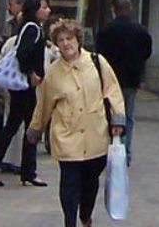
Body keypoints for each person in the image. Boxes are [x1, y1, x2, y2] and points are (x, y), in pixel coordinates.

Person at [28, 18, 126, 227]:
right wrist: (35, 129)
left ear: (78, 40)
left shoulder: (97, 63)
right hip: (67, 135)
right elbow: (44, 103)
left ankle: (86, 215)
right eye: (61, 40)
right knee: (69, 182)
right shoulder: (54, 72)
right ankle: (70, 222)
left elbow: (113, 91)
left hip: (95, 134)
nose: (66, 43)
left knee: (90, 183)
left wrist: (118, 120)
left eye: (69, 38)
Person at [0, 0, 50, 186]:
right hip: (25, 87)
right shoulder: (33, 28)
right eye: (43, 7)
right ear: (35, 9)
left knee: (16, 125)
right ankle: (27, 171)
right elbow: (23, 53)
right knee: (30, 126)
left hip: (23, 86)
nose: (47, 11)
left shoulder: (29, 26)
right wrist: (31, 73)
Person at [93, 0, 152, 161]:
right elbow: (147, 52)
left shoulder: (106, 31)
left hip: (109, 79)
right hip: (131, 78)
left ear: (114, 10)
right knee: (127, 115)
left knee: (108, 114)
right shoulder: (140, 31)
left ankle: (107, 148)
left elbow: (99, 55)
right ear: (130, 9)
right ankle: (125, 151)